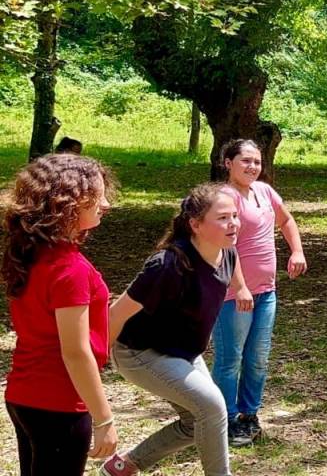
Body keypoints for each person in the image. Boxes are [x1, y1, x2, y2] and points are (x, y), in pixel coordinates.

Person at [102, 183, 252, 476]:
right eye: (222, 218)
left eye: (234, 215)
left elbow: (231, 267)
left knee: (196, 422)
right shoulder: (168, 265)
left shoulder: (227, 251)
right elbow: (114, 314)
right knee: (212, 407)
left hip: (183, 352)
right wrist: (95, 363)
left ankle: (123, 466)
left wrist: (242, 288)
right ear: (195, 224)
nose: (233, 223)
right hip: (139, 353)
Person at [3, 154, 117, 475]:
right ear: (67, 201)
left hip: (24, 396)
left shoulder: (32, 253)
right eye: (97, 195)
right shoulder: (70, 269)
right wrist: (104, 418)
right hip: (59, 402)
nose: (106, 203)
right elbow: (76, 352)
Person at [212, 139, 307, 447]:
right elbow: (225, 246)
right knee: (230, 359)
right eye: (245, 161)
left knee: (258, 359)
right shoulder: (224, 198)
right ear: (228, 163)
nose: (252, 166)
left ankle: (249, 414)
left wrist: (297, 251)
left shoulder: (264, 191)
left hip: (266, 292)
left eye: (257, 161)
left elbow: (286, 219)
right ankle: (225, 419)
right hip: (233, 294)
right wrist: (239, 286)